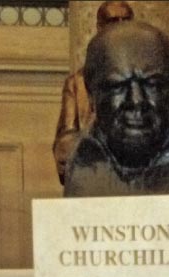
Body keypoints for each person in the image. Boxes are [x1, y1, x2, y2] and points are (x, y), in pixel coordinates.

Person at [63, 21, 169, 197]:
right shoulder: (76, 156)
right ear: (91, 92)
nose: (136, 101)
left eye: (152, 84)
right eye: (118, 86)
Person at [52, 1, 134, 185]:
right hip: (96, 176)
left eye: (126, 21)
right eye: (113, 21)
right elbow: (64, 146)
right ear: (100, 28)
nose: (120, 27)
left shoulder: (148, 80)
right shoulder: (77, 83)